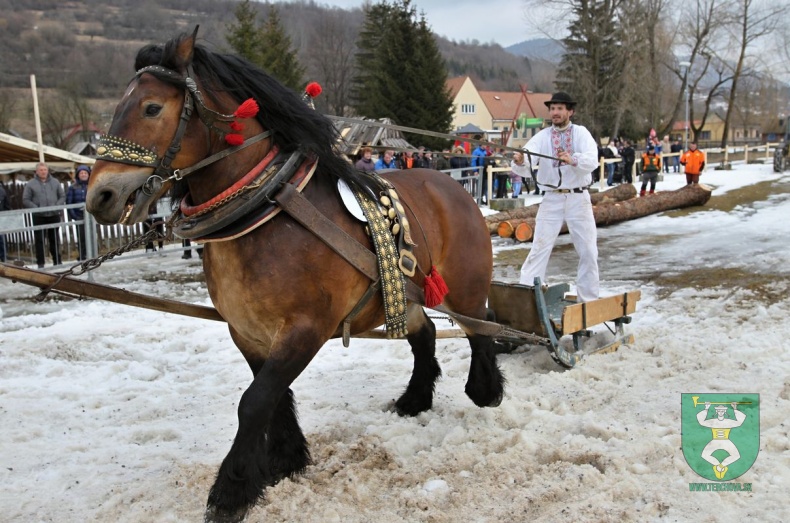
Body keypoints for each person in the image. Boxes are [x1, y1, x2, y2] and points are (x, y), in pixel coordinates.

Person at [519, 91, 600, 303]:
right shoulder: (543, 136)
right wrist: (520, 160)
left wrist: (573, 159)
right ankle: (528, 299)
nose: (555, 112)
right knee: (539, 248)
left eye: (559, 109)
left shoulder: (581, 133)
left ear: (570, 111)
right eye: (552, 108)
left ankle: (588, 301)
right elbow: (529, 153)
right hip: (551, 198)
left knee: (588, 251)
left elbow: (592, 160)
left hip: (578, 198)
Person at [23, 162, 65, 268]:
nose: (43, 172)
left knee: (54, 239)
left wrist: (56, 206)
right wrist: (36, 208)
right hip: (39, 216)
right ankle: (41, 263)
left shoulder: (55, 182)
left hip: (53, 215)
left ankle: (57, 262)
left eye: (45, 170)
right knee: (40, 241)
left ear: (48, 171)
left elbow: (62, 196)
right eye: (41, 170)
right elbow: (26, 199)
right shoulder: (31, 184)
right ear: (36, 171)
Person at [66, 164, 91, 261]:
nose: (84, 175)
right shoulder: (73, 187)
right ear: (78, 175)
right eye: (81, 173)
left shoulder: (92, 185)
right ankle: (82, 256)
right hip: (79, 216)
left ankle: (93, 254)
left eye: (85, 173)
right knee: (81, 237)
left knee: (92, 236)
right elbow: (69, 202)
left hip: (91, 216)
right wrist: (74, 216)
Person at [0, 182, 11, 263]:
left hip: (1, 219)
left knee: (1, 240)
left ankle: (4, 260)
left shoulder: (1, 191)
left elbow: (7, 206)